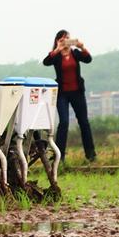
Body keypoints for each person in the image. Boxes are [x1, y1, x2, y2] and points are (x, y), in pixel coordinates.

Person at [43, 29, 96, 163]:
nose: (66, 42)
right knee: (64, 122)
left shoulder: (75, 53)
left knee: (84, 122)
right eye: (63, 39)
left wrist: (82, 47)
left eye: (68, 39)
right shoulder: (56, 56)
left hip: (77, 92)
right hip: (62, 93)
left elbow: (88, 59)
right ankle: (59, 157)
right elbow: (46, 62)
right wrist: (57, 48)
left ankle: (91, 154)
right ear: (58, 40)